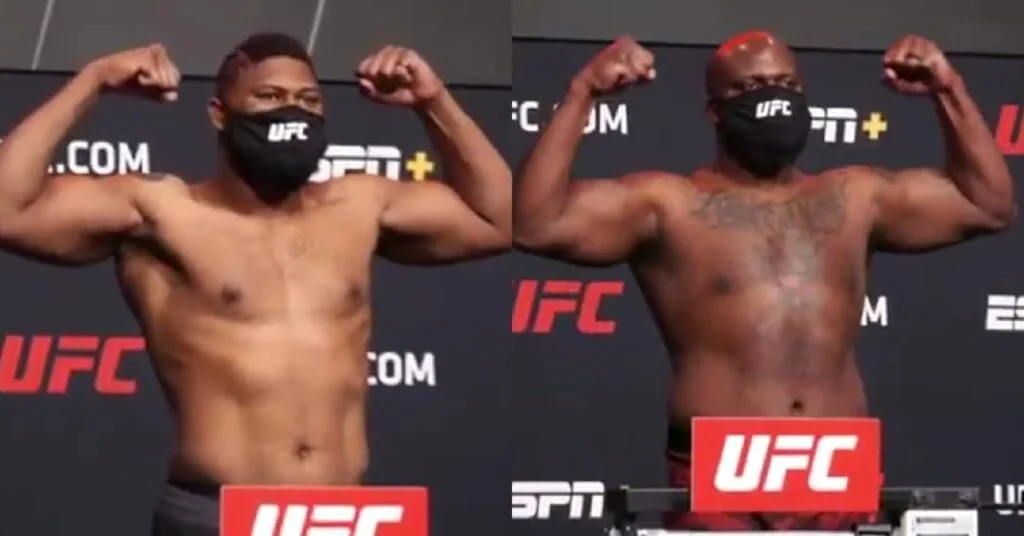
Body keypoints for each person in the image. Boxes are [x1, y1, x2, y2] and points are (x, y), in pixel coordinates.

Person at [0, 33, 510, 536]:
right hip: (220, 514)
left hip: (344, 516)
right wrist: (92, 81)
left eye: (308, 100)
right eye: (269, 96)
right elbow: (7, 211)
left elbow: (499, 220)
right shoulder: (163, 212)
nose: (292, 111)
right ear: (219, 113)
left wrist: (433, 101)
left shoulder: (360, 205)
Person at [513, 32, 1015, 530]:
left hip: (836, 466)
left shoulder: (853, 198)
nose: (774, 97)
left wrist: (948, 88)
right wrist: (582, 92)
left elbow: (987, 204)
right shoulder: (669, 204)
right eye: (752, 86)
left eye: (786, 84)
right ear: (715, 110)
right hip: (724, 475)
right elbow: (536, 224)